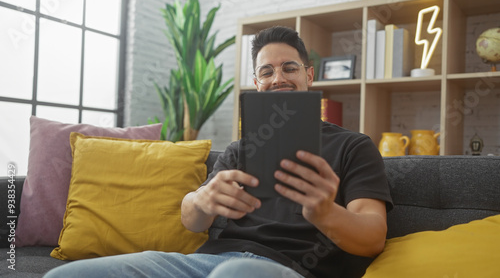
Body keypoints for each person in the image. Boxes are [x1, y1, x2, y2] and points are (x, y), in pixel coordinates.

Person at [44, 26, 392, 278]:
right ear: (257, 83)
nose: (278, 78)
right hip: (206, 262)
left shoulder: (353, 146)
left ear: (309, 75)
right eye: (266, 71)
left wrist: (323, 212)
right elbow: (191, 220)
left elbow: (373, 237)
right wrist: (202, 200)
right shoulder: (241, 150)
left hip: (288, 269)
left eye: (290, 67)